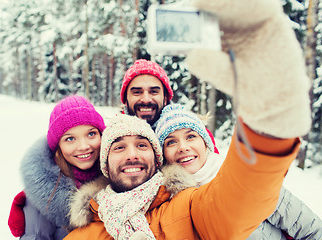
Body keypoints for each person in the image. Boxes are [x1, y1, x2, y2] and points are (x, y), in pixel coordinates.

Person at [64, 0, 313, 238]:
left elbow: (242, 193)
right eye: (136, 91)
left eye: (142, 145)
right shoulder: (91, 224)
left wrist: (270, 114)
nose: (132, 155)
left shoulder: (188, 206)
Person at [155, 104, 322, 240]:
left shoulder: (241, 177)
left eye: (191, 136)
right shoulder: (167, 204)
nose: (183, 147)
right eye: (171, 142)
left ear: (205, 143)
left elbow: (309, 229)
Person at [8, 95, 108, 239]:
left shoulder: (115, 177)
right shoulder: (44, 198)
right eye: (70, 139)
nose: (84, 146)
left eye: (91, 134)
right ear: (58, 146)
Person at [120, 58, 173, 127]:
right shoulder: (111, 135)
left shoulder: (186, 134)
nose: (146, 99)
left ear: (165, 98)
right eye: (137, 92)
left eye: (154, 92)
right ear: (126, 99)